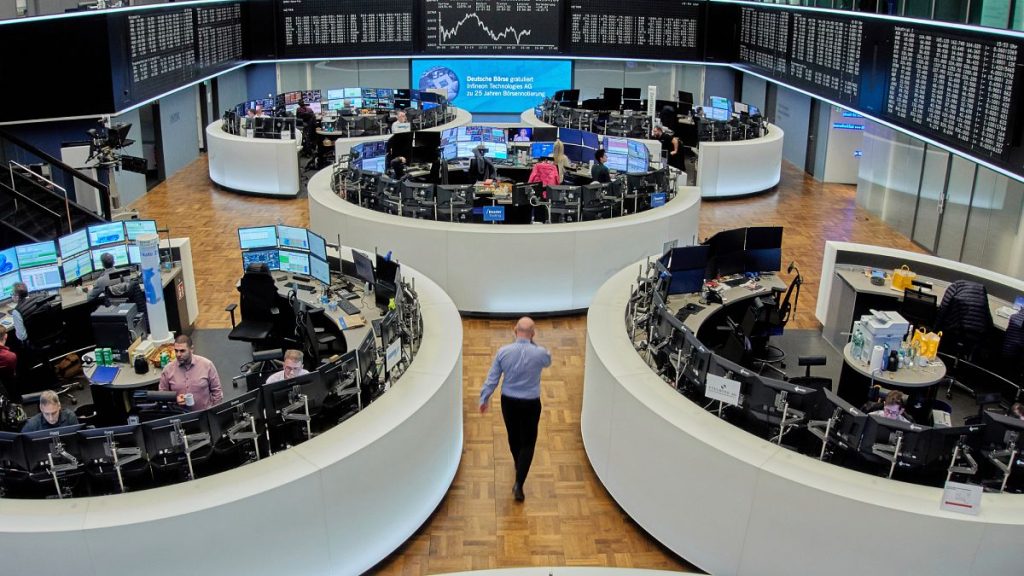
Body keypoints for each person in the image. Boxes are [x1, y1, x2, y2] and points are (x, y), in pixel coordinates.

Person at [479, 317, 552, 502]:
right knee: (529, 442)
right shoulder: (540, 353)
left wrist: (484, 397)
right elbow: (548, 361)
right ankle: (519, 483)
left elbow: (492, 378)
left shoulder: (503, 352)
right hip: (531, 403)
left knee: (513, 436)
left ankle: (518, 463)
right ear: (533, 333)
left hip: (508, 402)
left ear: (514, 330)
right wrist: (533, 344)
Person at [158, 334, 223, 411]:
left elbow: (217, 392)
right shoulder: (168, 370)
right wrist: (175, 399)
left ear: (191, 349)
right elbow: (162, 394)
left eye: (182, 351)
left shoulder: (207, 365)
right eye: (176, 351)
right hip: (179, 416)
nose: (178, 354)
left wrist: (212, 412)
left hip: (204, 414)